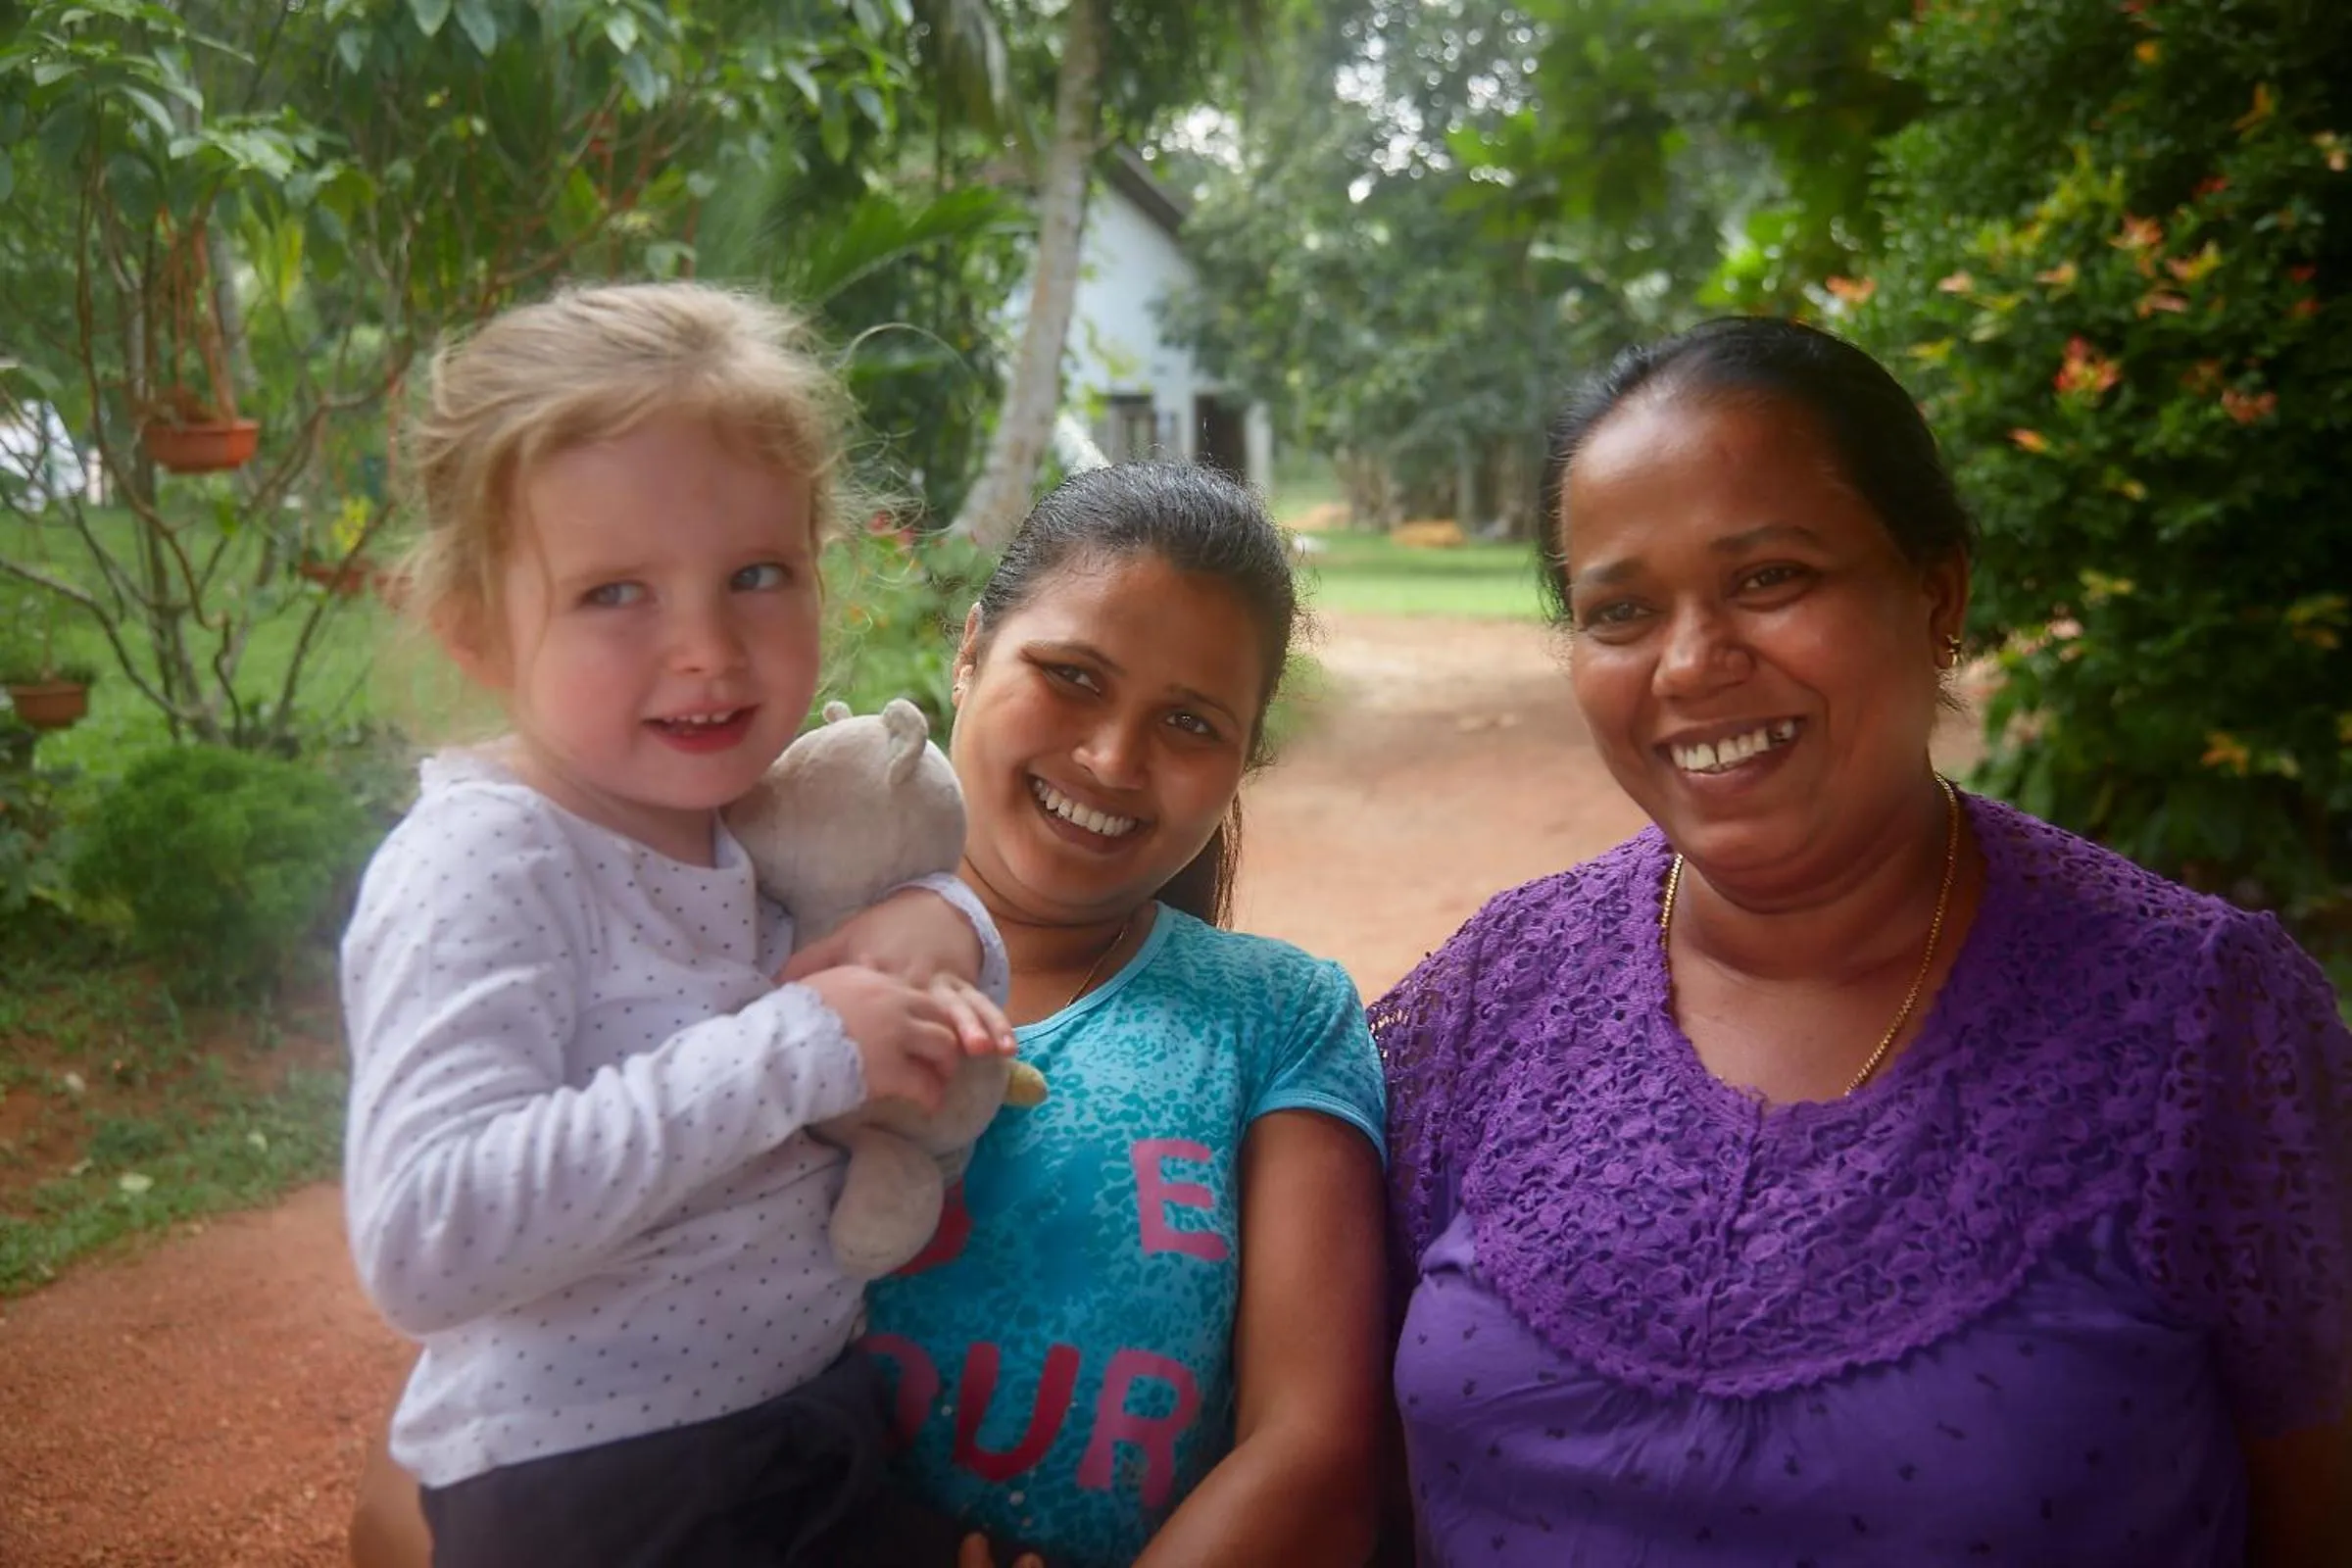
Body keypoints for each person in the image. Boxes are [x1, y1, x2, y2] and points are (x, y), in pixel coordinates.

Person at [1374, 315, 2352, 1566]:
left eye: (1768, 578)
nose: (1691, 661)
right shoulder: (1485, 1003)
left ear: (1936, 593)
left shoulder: (2202, 1024)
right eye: (1619, 609)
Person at [350, 461, 1389, 1567]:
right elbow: (460, 1445)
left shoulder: (1277, 1016)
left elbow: (1315, 1455)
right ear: (970, 649)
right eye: (1073, 675)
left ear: (1244, 759)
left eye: (1191, 721)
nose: (1113, 757)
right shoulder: (734, 955)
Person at [340, 280, 1014, 1568]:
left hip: (797, 1429)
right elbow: (429, 1236)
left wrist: (941, 922)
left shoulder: (728, 812)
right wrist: (795, 1048)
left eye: (758, 575)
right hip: (600, 1495)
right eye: (614, 593)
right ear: (478, 628)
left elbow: (879, 900)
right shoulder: (489, 856)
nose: (708, 649)